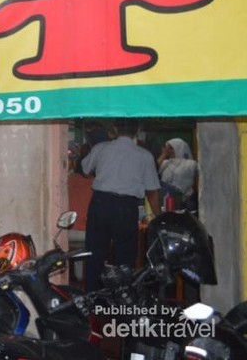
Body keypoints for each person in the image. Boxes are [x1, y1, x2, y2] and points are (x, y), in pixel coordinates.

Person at [81, 118, 161, 291]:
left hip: (100, 203)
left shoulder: (101, 148)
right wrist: (159, 216)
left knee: (94, 253)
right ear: (137, 130)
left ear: (114, 129)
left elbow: (85, 170)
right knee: (125, 256)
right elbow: (152, 191)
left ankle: (92, 299)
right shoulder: (144, 156)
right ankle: (122, 298)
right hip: (126, 207)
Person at [157, 138, 199, 212]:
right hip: (165, 196)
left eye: (171, 148)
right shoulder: (166, 163)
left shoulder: (191, 164)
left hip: (181, 195)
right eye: (167, 148)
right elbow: (153, 170)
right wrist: (164, 154)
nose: (168, 151)